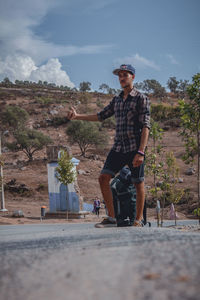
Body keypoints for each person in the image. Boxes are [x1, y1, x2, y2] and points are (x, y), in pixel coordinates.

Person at [67, 64, 150, 227]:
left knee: (138, 182)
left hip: (134, 147)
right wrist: (76, 117)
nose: (122, 78)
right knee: (103, 177)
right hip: (119, 147)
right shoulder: (117, 99)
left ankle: (138, 220)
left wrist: (141, 151)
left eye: (125, 75)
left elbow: (146, 126)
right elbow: (100, 116)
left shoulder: (141, 98)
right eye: (120, 75)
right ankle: (112, 218)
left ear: (132, 77)